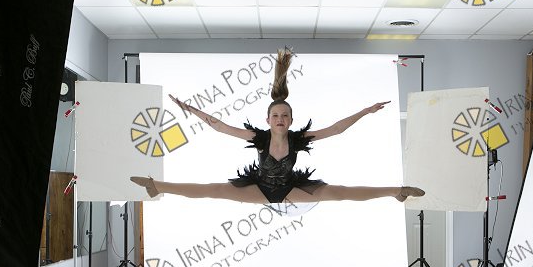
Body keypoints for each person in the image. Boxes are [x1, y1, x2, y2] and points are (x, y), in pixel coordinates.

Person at [131, 48, 424, 205]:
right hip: (258, 188)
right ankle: (156, 186)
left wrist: (365, 111)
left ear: (291, 120)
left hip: (290, 188)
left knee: (339, 192)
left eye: (285, 115)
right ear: (268, 120)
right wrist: (189, 108)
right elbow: (219, 126)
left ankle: (397, 191)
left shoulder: (299, 138)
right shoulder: (259, 137)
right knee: (214, 189)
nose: (280, 119)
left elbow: (336, 129)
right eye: (275, 116)